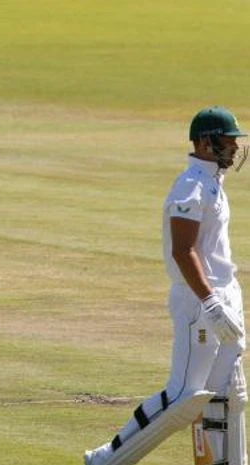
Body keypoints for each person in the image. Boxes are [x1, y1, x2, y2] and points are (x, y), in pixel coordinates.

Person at [84, 107, 247, 465]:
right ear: (205, 142)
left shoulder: (213, 183)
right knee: (184, 397)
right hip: (199, 301)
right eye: (228, 140)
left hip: (224, 296)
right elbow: (182, 250)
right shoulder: (190, 185)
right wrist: (210, 302)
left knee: (228, 394)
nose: (235, 148)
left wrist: (226, 299)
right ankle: (108, 457)